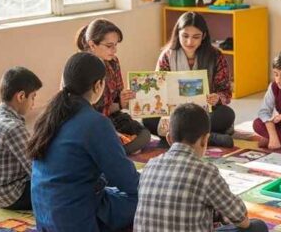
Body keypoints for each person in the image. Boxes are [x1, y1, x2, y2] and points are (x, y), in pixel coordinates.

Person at [29, 52, 138, 232]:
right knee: (143, 197)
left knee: (110, 191)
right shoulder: (96, 123)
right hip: (77, 220)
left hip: (45, 216)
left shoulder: (48, 115)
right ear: (98, 85)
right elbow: (126, 179)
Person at [135, 104, 267, 232]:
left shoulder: (150, 165)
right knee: (258, 226)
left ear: (169, 138)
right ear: (205, 140)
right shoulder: (206, 172)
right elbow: (241, 219)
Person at [145, 12, 236, 147]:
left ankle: (174, 138)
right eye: (185, 36)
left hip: (204, 112)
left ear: (203, 36)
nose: (189, 42)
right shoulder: (167, 55)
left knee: (227, 114)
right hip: (175, 113)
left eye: (196, 37)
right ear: (178, 34)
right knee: (147, 119)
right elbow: (159, 89)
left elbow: (225, 91)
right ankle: (209, 137)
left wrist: (217, 98)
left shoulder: (215, 56)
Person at [76, 19, 150, 154]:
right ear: (92, 45)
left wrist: (123, 101)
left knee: (144, 135)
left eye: (116, 45)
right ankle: (106, 150)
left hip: (110, 117)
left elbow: (116, 99)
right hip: (89, 122)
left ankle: (109, 149)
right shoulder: (80, 67)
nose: (114, 50)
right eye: (109, 46)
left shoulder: (113, 62)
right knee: (116, 140)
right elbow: (83, 113)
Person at [0, 66, 41, 210]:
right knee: (63, 187)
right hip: (12, 195)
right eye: (33, 97)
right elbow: (37, 170)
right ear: (21, 96)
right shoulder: (13, 128)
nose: (33, 104)